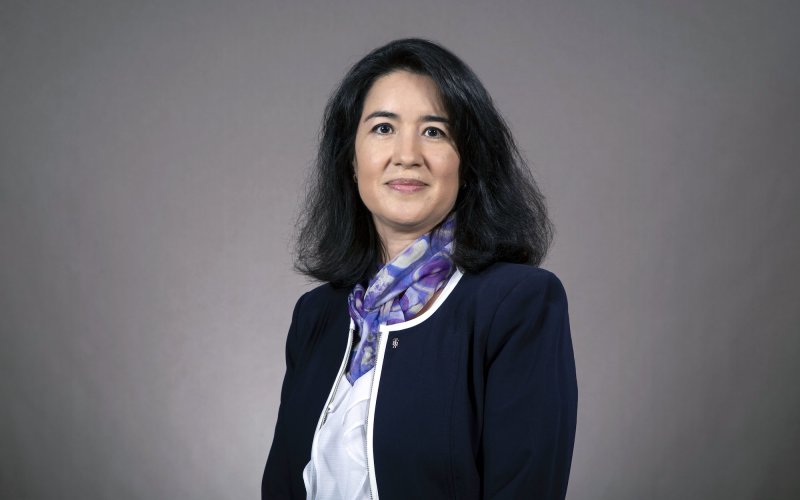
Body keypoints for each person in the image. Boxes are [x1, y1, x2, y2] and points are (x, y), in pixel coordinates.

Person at [262, 38, 577, 500]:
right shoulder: (317, 315)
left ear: (467, 161)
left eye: (434, 132)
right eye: (383, 128)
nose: (407, 155)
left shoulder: (517, 304)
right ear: (351, 159)